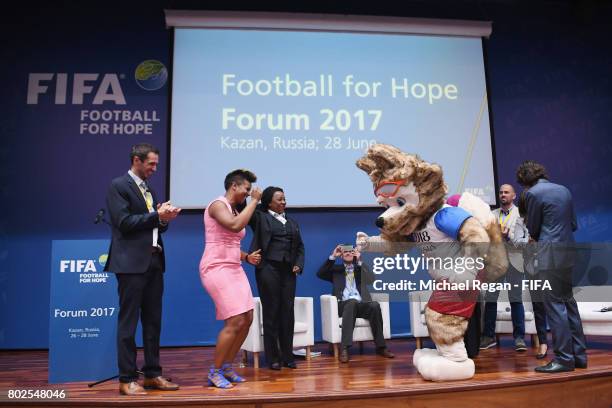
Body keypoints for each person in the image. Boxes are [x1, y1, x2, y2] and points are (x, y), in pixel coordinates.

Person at [105, 143, 181, 396]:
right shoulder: (119, 186)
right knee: (128, 323)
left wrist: (163, 218)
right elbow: (124, 223)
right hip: (130, 264)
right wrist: (155, 216)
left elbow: (154, 226)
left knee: (153, 322)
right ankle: (127, 379)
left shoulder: (149, 189)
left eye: (156, 164)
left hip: (154, 262)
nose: (155, 168)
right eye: (151, 163)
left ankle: (152, 374)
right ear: (136, 160)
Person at [516, 160, 587, 373]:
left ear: (524, 181)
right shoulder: (564, 190)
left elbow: (534, 229)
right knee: (569, 304)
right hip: (567, 252)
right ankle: (579, 356)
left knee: (554, 307)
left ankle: (564, 359)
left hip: (549, 256)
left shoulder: (532, 194)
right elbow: (573, 224)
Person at [199, 169, 262, 388]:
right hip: (216, 268)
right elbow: (235, 227)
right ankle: (214, 371)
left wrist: (246, 256)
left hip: (234, 266)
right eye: (246, 188)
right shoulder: (217, 205)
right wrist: (254, 202)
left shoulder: (235, 210)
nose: (248, 192)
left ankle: (227, 366)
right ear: (234, 186)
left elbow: (230, 242)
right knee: (235, 319)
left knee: (248, 318)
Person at [248, 186, 305, 370]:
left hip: (288, 271)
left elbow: (300, 247)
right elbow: (247, 211)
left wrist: (298, 263)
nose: (283, 202)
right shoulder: (260, 218)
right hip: (268, 268)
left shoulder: (293, 222)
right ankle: (272, 358)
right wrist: (254, 200)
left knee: (287, 313)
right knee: (271, 312)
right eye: (279, 199)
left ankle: (288, 356)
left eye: (284, 199)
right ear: (269, 202)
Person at [317, 244, 394, 363]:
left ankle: (381, 347)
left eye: (351, 251)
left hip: (361, 304)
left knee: (374, 305)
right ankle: (344, 348)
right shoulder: (336, 270)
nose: (348, 253)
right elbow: (320, 273)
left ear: (354, 254)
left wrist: (360, 261)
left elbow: (371, 279)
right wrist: (333, 256)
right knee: (351, 302)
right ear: (341, 255)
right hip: (343, 305)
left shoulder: (359, 269)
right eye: (345, 252)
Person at [480, 184, 527, 352]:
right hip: (495, 263)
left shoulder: (521, 215)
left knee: (515, 299)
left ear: (514, 196)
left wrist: (507, 237)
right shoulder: (491, 215)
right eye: (500, 192)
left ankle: (520, 338)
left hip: (515, 262)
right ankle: (488, 337)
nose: (502, 195)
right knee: (490, 299)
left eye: (506, 192)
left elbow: (524, 242)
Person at [517, 190, 549, 359]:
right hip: (532, 268)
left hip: (550, 265)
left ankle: (565, 343)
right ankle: (543, 343)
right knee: (538, 307)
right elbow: (516, 242)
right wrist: (528, 241)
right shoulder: (520, 221)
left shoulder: (547, 217)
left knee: (557, 304)